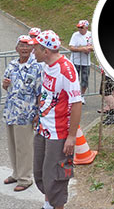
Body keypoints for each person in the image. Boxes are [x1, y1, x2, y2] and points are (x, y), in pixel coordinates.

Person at [29, 30, 82, 209]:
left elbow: (76, 103)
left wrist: (72, 137)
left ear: (46, 51)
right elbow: (47, 94)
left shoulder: (66, 69)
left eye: (35, 48)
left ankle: (56, 205)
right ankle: (47, 205)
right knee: (41, 173)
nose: (32, 52)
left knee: (56, 178)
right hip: (43, 129)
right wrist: (39, 113)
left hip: (59, 134)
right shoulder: (46, 65)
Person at [2, 35, 43, 191]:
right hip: (11, 111)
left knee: (24, 147)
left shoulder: (36, 67)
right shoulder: (12, 64)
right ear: (16, 48)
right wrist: (5, 85)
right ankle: (16, 173)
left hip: (26, 113)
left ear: (32, 49)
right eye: (22, 45)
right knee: (12, 145)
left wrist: (39, 112)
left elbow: (40, 92)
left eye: (28, 45)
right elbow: (6, 86)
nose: (24, 48)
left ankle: (25, 178)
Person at [69, 20, 93, 100]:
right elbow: (71, 47)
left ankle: (82, 96)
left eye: (81, 28)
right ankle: (73, 96)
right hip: (75, 61)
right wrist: (82, 49)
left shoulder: (91, 35)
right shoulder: (75, 35)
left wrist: (89, 49)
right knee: (74, 80)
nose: (79, 29)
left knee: (85, 80)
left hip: (85, 62)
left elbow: (95, 47)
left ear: (86, 27)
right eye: (78, 27)